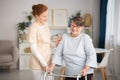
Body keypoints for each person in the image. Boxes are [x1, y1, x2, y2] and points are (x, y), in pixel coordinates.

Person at [27, 4, 52, 80]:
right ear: (37, 16)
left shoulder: (45, 25)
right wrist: (44, 64)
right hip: (38, 63)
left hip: (48, 59)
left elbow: (47, 42)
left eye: (47, 15)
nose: (46, 18)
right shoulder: (33, 28)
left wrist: (55, 44)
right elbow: (33, 50)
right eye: (44, 16)